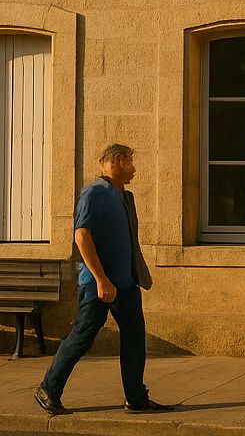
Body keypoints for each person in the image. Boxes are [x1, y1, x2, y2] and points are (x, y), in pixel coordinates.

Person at [36, 144, 171, 415]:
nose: (135, 167)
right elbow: (81, 236)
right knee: (82, 336)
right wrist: (100, 279)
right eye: (131, 161)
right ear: (118, 161)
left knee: (134, 337)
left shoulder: (124, 196)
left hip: (125, 283)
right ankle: (48, 389)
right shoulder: (94, 193)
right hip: (98, 284)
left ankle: (135, 397)